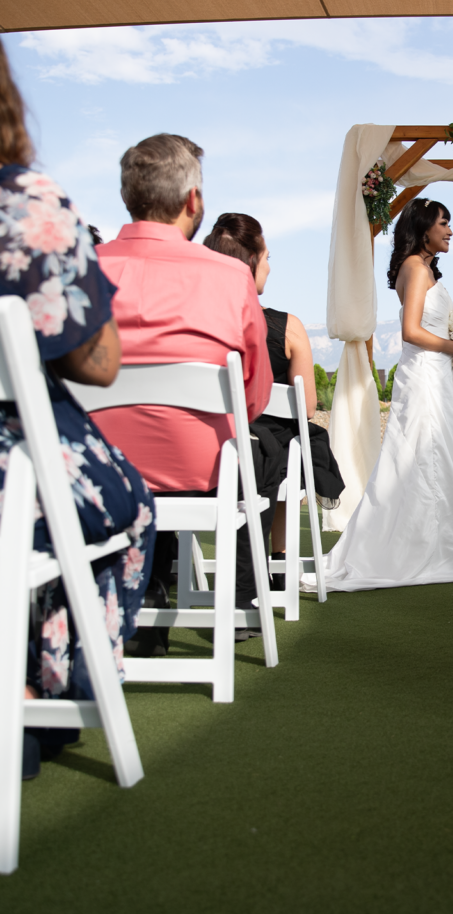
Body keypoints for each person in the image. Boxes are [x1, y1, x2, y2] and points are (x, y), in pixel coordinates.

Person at [0, 39, 156, 780]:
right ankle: (47, 697)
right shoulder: (27, 204)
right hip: (14, 470)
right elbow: (98, 364)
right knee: (125, 505)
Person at [90, 134, 279, 641]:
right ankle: (230, 601)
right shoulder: (228, 276)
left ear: (129, 196)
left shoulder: (83, 269)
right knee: (226, 449)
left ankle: (142, 587)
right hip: (203, 468)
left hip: (97, 467)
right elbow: (254, 393)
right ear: (193, 201)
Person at [311, 197, 453, 591]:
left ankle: (430, 539)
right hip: (425, 375)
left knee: (423, 455)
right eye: (444, 223)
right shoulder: (416, 269)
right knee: (423, 454)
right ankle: (428, 548)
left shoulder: (417, 267)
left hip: (430, 375)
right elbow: (411, 332)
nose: (450, 230)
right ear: (423, 229)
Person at [201, 212, 344, 581]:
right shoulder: (287, 327)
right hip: (267, 449)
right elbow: (307, 406)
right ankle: (278, 559)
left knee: (271, 444)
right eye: (267, 258)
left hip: (205, 444)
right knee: (287, 443)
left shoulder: (197, 322)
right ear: (252, 261)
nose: (270, 267)